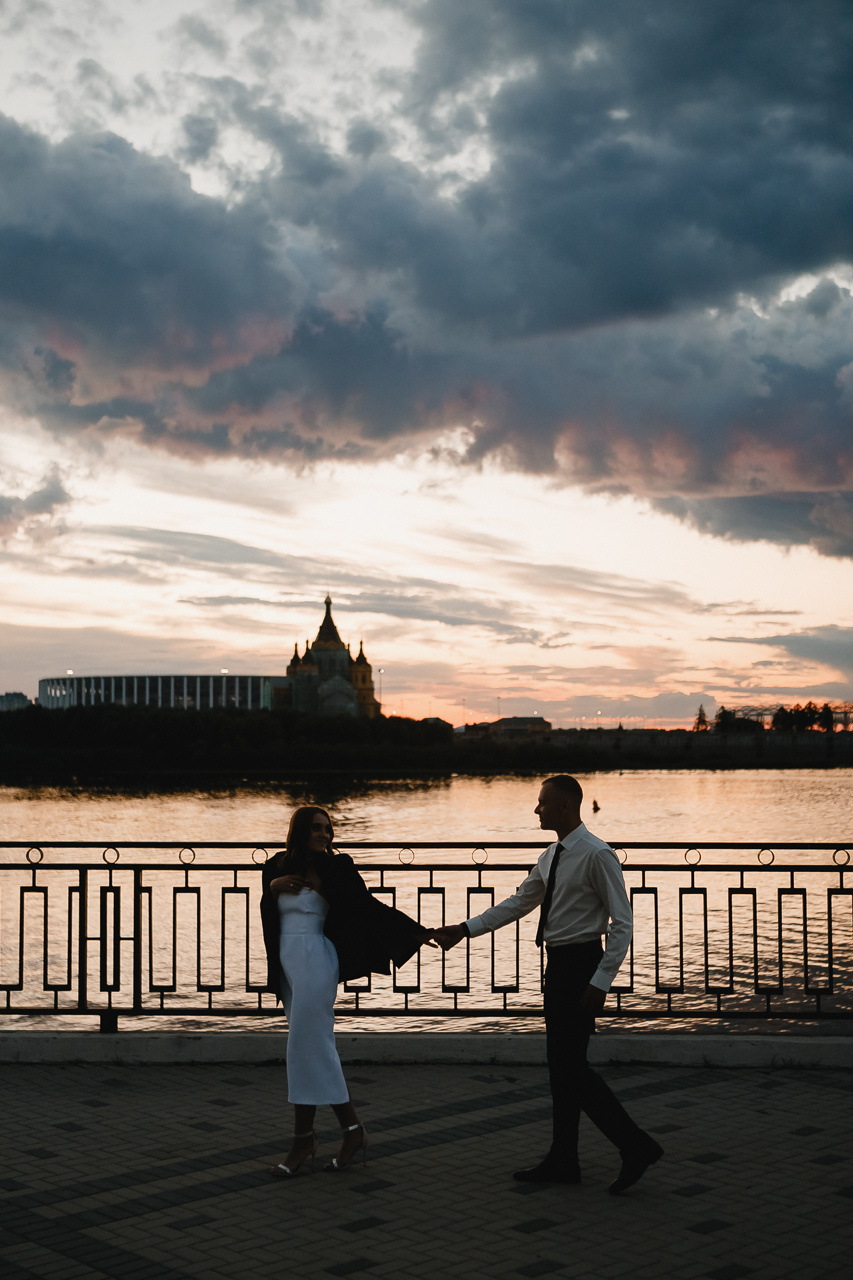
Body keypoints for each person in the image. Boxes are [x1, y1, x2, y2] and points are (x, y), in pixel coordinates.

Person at [435, 775, 663, 1194]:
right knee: (563, 1068)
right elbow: (519, 902)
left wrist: (601, 980)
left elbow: (623, 923)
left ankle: (636, 1146)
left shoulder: (597, 855)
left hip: (582, 966)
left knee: (571, 1067)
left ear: (564, 807)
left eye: (542, 802)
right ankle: (565, 1159)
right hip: (558, 966)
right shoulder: (551, 855)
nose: (536, 809)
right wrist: (464, 930)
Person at [260, 805, 433, 1177]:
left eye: (327, 829)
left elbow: (367, 907)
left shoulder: (338, 867)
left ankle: (303, 1141)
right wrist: (272, 889)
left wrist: (414, 931)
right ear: (299, 831)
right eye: (316, 828)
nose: (324, 834)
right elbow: (268, 913)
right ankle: (351, 1131)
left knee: (305, 1046)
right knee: (312, 1046)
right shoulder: (275, 867)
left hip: (316, 958)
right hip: (287, 962)